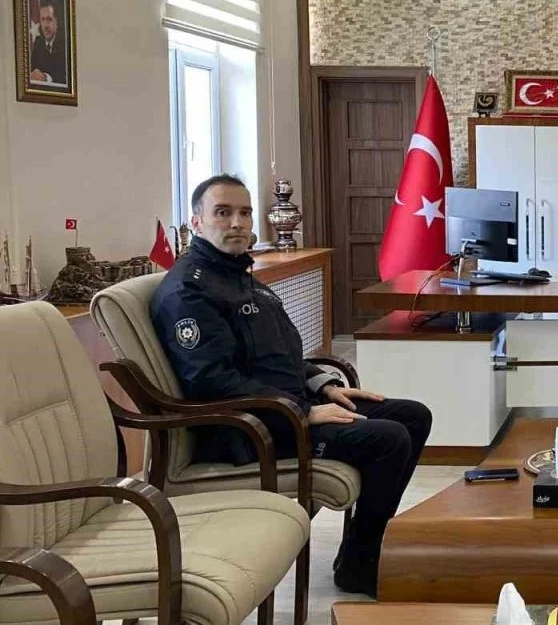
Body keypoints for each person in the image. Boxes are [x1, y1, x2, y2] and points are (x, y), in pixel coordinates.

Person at [151, 173, 432, 598]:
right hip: (249, 430)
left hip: (286, 407)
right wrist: (304, 412)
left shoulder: (240, 277)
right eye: (222, 213)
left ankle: (364, 549)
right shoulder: (189, 291)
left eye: (244, 213)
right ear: (196, 222)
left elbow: (277, 354)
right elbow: (210, 380)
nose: (237, 223)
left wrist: (323, 386)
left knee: (412, 415)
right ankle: (360, 564)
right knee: (387, 438)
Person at [29, 1, 67, 86]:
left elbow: (67, 77)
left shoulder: (65, 44)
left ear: (56, 22)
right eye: (43, 20)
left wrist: (46, 77)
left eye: (49, 19)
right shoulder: (38, 43)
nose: (46, 25)